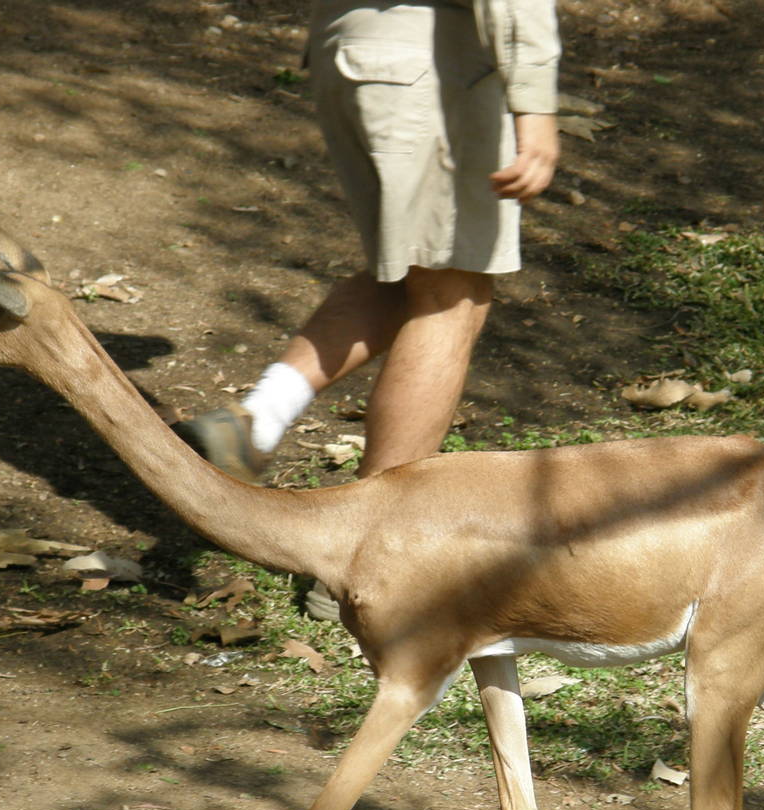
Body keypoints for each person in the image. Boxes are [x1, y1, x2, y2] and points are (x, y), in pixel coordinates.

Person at [176, 0, 560, 493]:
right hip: (431, 63)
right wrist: (536, 102)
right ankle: (383, 531)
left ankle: (255, 423)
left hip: (351, 45)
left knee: (414, 273)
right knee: (452, 294)